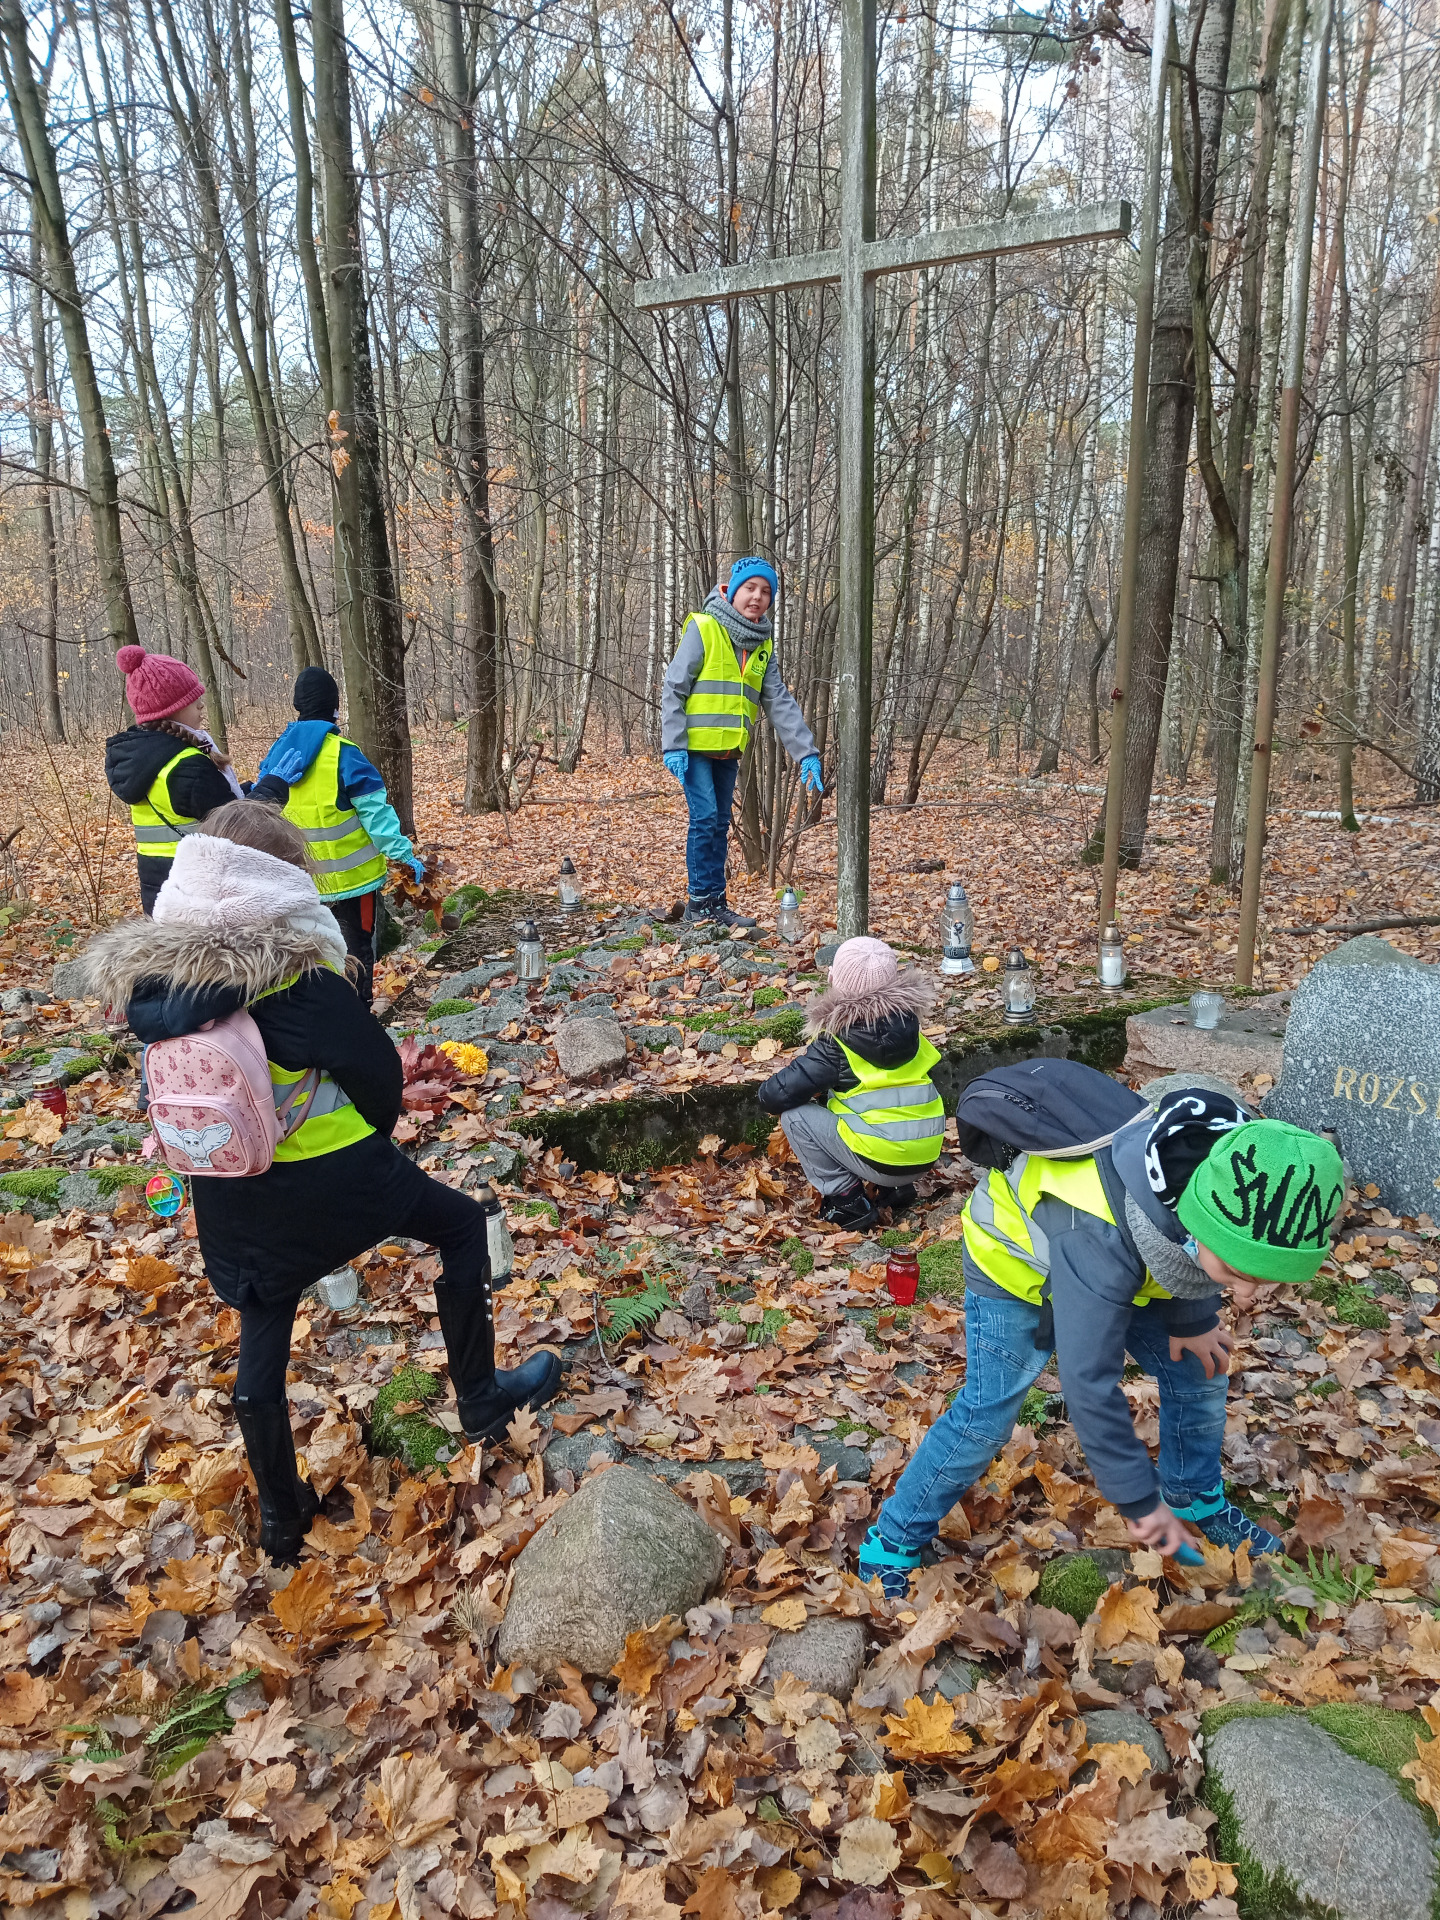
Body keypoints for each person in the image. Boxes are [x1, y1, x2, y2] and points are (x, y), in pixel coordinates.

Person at [83, 803, 561, 1564]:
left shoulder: (154, 992)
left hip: (229, 1188)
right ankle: (481, 1401)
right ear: (277, 886)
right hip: (343, 1179)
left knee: (264, 1307)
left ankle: (280, 1512)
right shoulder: (294, 984)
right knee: (464, 1227)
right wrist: (369, 1143)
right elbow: (376, 1079)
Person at [856, 1088, 1346, 1595]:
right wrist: (1136, 1499)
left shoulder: (1217, 1174)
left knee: (1200, 1363)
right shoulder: (1101, 1237)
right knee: (986, 1415)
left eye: (1265, 1281)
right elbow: (1089, 1380)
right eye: (1236, 1273)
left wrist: (1194, 1317)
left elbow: (1183, 1252)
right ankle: (892, 1538)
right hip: (1016, 1265)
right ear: (1199, 1221)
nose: (1245, 1294)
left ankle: (1192, 1495)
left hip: (1128, 1262)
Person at [660, 557, 824, 928]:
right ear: (734, 591)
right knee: (704, 819)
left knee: (719, 822)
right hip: (693, 750)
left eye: (766, 591)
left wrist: (806, 753)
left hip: (728, 749)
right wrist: (673, 743)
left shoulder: (762, 645)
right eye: (750, 588)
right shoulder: (704, 628)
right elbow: (674, 687)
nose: (757, 597)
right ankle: (700, 901)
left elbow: (779, 700)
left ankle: (715, 901)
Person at [257, 667, 424, 1005]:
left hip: (298, 883)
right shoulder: (344, 754)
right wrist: (403, 853)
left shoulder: (276, 755)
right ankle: (359, 1018)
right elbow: (375, 814)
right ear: (335, 708)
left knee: (307, 958)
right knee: (356, 953)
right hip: (353, 885)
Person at [756, 936, 945, 1231]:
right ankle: (897, 1190)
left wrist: (763, 1091)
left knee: (795, 1116)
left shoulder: (837, 1042)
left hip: (884, 1158)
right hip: (927, 1151)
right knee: (883, 1110)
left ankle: (846, 1199)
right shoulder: (910, 1029)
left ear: (833, 980)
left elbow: (778, 1095)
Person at [105, 646, 288, 914]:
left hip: (161, 892)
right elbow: (242, 827)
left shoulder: (144, 759)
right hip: (200, 894)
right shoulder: (187, 767)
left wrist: (248, 789)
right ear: (173, 709)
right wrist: (275, 785)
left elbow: (201, 809)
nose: (201, 705)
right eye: (192, 700)